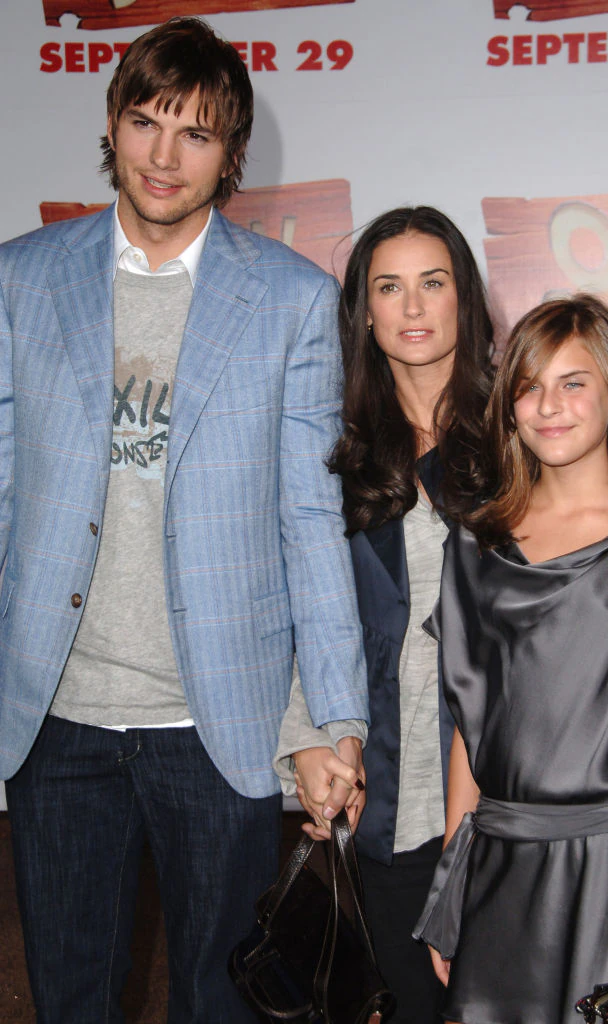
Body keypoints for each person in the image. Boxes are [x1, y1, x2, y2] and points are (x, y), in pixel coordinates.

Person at [0, 17, 367, 1023]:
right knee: (70, 998)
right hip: (58, 719)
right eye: (146, 120)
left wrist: (332, 717)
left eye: (195, 132)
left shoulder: (291, 300)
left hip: (219, 724)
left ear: (231, 152)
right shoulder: (21, 278)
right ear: (113, 126)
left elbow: (308, 514)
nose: (165, 155)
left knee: (220, 1001)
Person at [272, 207, 608, 1024]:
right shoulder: (330, 440)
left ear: (467, 298)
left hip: (513, 792)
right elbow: (300, 604)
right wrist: (309, 735)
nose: (415, 307)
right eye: (389, 287)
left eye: (435, 282)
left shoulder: (525, 420)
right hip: (385, 787)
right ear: (361, 309)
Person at [415, 294, 608, 1024]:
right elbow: (469, 725)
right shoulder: (475, 547)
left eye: (572, 382)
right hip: (497, 871)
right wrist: (451, 885)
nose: (547, 405)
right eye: (528, 385)